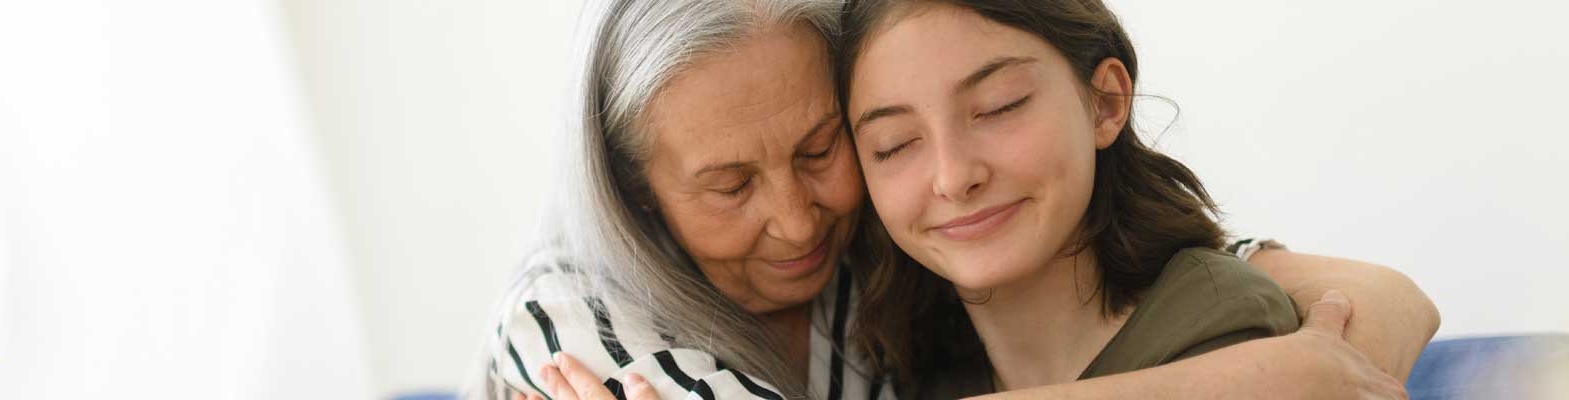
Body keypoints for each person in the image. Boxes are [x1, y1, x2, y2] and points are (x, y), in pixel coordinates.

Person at [474, 0, 1436, 399]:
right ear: (636, 196)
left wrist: (1330, 353)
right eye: (729, 186)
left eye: (825, 150)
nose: (800, 219)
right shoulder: (574, 320)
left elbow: (1354, 293)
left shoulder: (893, 255)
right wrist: (1254, 385)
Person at [839, 0, 1305, 396]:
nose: (954, 177)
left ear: (1105, 102)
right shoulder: (903, 372)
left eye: (1000, 107)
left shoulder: (1229, 332)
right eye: (894, 144)